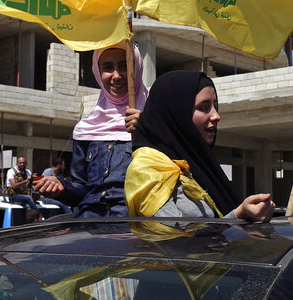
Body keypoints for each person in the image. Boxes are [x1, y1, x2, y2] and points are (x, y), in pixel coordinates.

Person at [125, 70, 273, 220]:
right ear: (178, 113)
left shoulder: (195, 166)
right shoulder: (147, 171)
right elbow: (172, 239)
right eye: (204, 107)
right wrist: (238, 216)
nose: (216, 116)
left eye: (215, 106)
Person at [35, 40, 147, 217]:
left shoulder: (154, 123)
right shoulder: (86, 129)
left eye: (125, 66)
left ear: (138, 68)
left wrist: (146, 132)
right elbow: (81, 190)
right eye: (108, 67)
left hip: (135, 230)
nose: (116, 75)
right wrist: (61, 188)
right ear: (98, 71)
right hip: (89, 227)